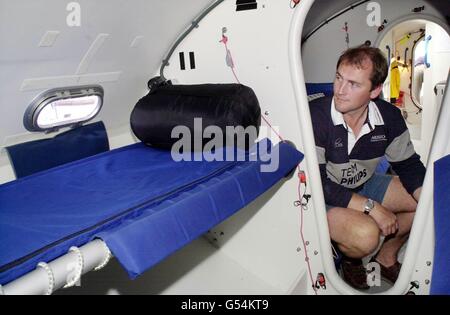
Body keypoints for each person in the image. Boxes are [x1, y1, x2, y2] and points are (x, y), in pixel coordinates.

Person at [309, 46, 425, 290]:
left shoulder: (390, 117)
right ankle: (352, 259)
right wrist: (372, 208)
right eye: (339, 78)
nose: (339, 91)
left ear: (374, 91)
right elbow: (317, 184)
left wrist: (425, 195)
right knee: (366, 236)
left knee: (426, 202)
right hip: (325, 196)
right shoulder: (316, 117)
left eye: (353, 84)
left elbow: (408, 165)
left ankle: (386, 256)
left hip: (364, 183)